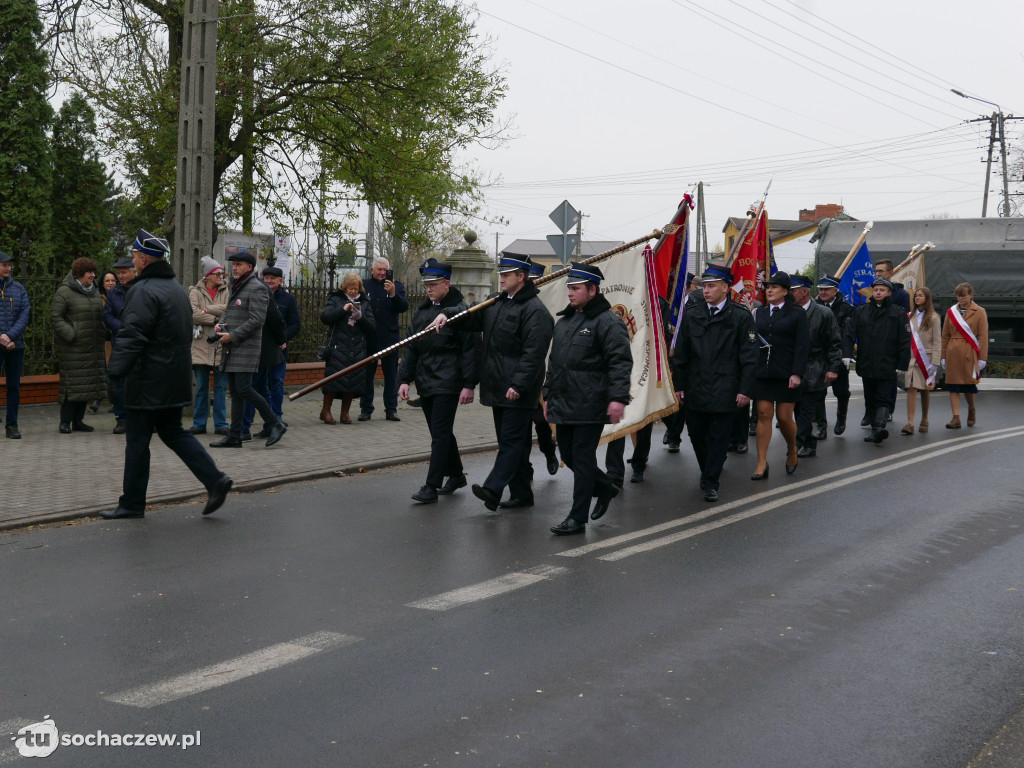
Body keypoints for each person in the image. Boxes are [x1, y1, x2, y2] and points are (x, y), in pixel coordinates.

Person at [100, 229, 232, 519]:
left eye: (135, 255)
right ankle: (215, 480)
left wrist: (116, 372)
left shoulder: (142, 290)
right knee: (174, 433)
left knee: (137, 442)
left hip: (147, 380)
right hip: (174, 377)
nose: (133, 259)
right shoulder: (175, 289)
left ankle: (132, 503)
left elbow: (133, 335)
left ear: (145, 259)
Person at [428, 254, 554, 512]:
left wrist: (519, 385)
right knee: (511, 444)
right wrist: (447, 314)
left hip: (519, 390)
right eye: (501, 274)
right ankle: (521, 494)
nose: (502, 278)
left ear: (521, 276)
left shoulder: (535, 311)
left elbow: (534, 354)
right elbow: (470, 316)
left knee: (510, 443)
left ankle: (493, 489)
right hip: (496, 386)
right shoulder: (496, 302)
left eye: (507, 275)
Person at [543, 262, 632, 534]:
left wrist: (618, 398)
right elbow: (555, 363)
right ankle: (605, 487)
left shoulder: (608, 323)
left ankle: (577, 518)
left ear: (592, 291)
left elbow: (620, 362)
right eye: (569, 287)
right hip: (564, 401)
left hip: (591, 402)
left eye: (576, 288)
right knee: (569, 457)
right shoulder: (565, 322)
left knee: (582, 459)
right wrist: (547, 395)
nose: (569, 292)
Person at [671, 264, 758, 502]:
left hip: (725, 387)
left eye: (711, 286)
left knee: (719, 437)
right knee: (697, 435)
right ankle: (708, 469)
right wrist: (679, 385)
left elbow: (750, 357)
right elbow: (681, 354)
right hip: (696, 386)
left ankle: (710, 481)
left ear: (725, 288)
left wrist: (745, 389)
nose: (705, 291)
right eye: (704, 286)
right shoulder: (694, 315)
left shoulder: (740, 316)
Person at [398, 258, 479, 503]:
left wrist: (468, 384)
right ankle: (455, 474)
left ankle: (431, 486)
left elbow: (470, 349)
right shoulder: (423, 311)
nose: (429, 289)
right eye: (426, 285)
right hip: (426, 379)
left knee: (440, 434)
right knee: (439, 431)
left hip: (449, 379)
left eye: (433, 284)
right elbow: (412, 347)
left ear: (447, 283)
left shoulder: (461, 312)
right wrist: (404, 379)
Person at [208, 251, 287, 448]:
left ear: (249, 267)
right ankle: (235, 435)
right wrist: (221, 326)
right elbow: (229, 312)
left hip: (247, 347)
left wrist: (233, 335)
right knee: (236, 391)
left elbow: (257, 320)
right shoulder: (238, 285)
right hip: (233, 346)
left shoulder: (256, 288)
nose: (234, 267)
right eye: (234, 264)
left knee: (244, 389)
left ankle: (275, 423)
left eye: (239, 264)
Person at [751, 272, 809, 478]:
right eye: (767, 286)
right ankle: (761, 463)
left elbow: (802, 345)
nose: (769, 290)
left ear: (785, 291)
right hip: (763, 371)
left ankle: (792, 448)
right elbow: (752, 340)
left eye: (774, 287)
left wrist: (797, 373)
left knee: (784, 417)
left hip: (786, 372)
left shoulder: (797, 314)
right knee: (764, 414)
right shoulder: (759, 313)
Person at [842, 277, 911, 444]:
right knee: (870, 397)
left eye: (882, 290)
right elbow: (850, 334)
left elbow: (905, 340)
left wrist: (902, 363)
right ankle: (875, 428)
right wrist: (846, 354)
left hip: (888, 363)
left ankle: (879, 427)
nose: (878, 292)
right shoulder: (862, 311)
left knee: (884, 396)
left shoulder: (898, 313)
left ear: (889, 293)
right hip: (867, 362)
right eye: (876, 290)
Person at [51, 256, 107, 434]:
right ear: (78, 274)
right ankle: (65, 421)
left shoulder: (95, 291)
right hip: (73, 347)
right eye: (89, 272)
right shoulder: (64, 292)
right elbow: (55, 317)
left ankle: (78, 421)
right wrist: (71, 334)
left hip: (92, 346)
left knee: (87, 384)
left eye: (93, 272)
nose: (93, 275)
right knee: (72, 384)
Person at [790, 274, 841, 458]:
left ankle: (797, 443)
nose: (790, 293)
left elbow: (834, 343)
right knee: (796, 408)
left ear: (804, 291)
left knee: (807, 409)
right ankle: (809, 444)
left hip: (815, 368)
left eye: (793, 290)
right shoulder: (789, 311)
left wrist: (833, 368)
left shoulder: (823, 313)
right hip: (793, 368)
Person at [320, 273, 376, 424]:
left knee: (353, 380)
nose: (353, 292)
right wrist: (343, 310)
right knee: (333, 379)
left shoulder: (365, 302)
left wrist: (360, 317)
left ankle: (345, 412)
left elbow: (372, 326)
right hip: (338, 346)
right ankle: (326, 410)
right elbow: (325, 317)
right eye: (350, 288)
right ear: (344, 287)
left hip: (357, 347)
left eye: (356, 289)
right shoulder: (335, 298)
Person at [359, 257, 408, 422]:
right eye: (379, 269)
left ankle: (391, 409)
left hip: (390, 337)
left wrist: (393, 294)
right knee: (367, 375)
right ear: (372, 270)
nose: (382, 273)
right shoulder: (364, 285)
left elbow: (403, 307)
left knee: (391, 375)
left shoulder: (397, 286)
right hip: (369, 337)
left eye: (384, 270)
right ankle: (366, 409)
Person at [241, 279, 287, 439]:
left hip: (261, 349)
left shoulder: (257, 289)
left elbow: (276, 319)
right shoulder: (252, 287)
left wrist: (281, 340)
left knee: (248, 388)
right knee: (261, 388)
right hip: (262, 350)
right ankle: (272, 424)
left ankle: (244, 428)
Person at [527, 261, 559, 477]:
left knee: (541, 423)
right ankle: (524, 467)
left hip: (543, 374)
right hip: (519, 374)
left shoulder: (549, 302)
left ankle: (549, 452)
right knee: (517, 430)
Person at [941, 282, 988, 429]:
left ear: (971, 295)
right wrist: (943, 355)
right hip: (953, 352)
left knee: (968, 386)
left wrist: (982, 358)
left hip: (970, 352)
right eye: (958, 296)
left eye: (963, 296)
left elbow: (983, 336)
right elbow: (945, 335)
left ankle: (971, 409)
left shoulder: (979, 311)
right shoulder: (951, 312)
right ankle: (956, 418)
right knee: (953, 387)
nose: (960, 298)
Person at [814, 274, 855, 435]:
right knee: (818, 392)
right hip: (818, 356)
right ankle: (821, 426)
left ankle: (841, 418)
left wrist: (846, 354)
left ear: (835, 291)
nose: (823, 292)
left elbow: (849, 333)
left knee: (841, 391)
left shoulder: (846, 309)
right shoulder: (813, 306)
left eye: (826, 289)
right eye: (821, 290)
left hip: (838, 355)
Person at [262, 266, 301, 421]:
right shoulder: (258, 295)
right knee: (258, 385)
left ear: (281, 280)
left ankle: (276, 417)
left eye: (273, 278)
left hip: (279, 350)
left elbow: (295, 324)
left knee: (277, 383)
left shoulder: (288, 299)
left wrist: (282, 339)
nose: (269, 281)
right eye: (266, 278)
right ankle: (259, 418)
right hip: (260, 349)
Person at [103, 256, 135, 434]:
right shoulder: (113, 293)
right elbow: (107, 316)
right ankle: (122, 418)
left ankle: (141, 418)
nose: (120, 276)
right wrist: (122, 328)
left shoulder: (140, 289)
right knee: (117, 383)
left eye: (124, 272)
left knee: (138, 383)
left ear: (133, 271)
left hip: (139, 345)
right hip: (120, 343)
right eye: (119, 273)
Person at [902, 287, 941, 435]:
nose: (917, 298)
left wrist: (935, 362)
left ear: (927, 298)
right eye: (916, 295)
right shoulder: (909, 317)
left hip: (927, 359)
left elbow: (937, 341)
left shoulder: (934, 317)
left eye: (920, 295)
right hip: (912, 358)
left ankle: (924, 419)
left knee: (925, 390)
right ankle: (910, 423)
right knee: (911, 388)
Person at [0, 251, 30, 439]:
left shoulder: (19, 289)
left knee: (14, 387)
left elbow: (24, 315)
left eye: (9, 265)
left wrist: (10, 336)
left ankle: (12, 426)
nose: (8, 268)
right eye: (4, 265)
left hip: (15, 345)